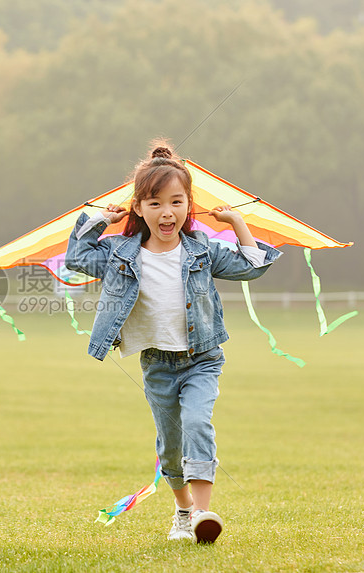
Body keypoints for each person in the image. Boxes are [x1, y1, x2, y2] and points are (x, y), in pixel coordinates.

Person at [65, 142, 281, 543]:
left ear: (188, 204)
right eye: (155, 203)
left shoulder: (202, 251)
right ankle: (183, 511)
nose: (167, 213)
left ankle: (202, 513)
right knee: (170, 447)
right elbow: (77, 256)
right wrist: (99, 220)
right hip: (157, 365)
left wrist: (237, 223)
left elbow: (254, 267)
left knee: (198, 422)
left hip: (201, 359)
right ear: (138, 208)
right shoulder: (120, 254)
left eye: (176, 202)